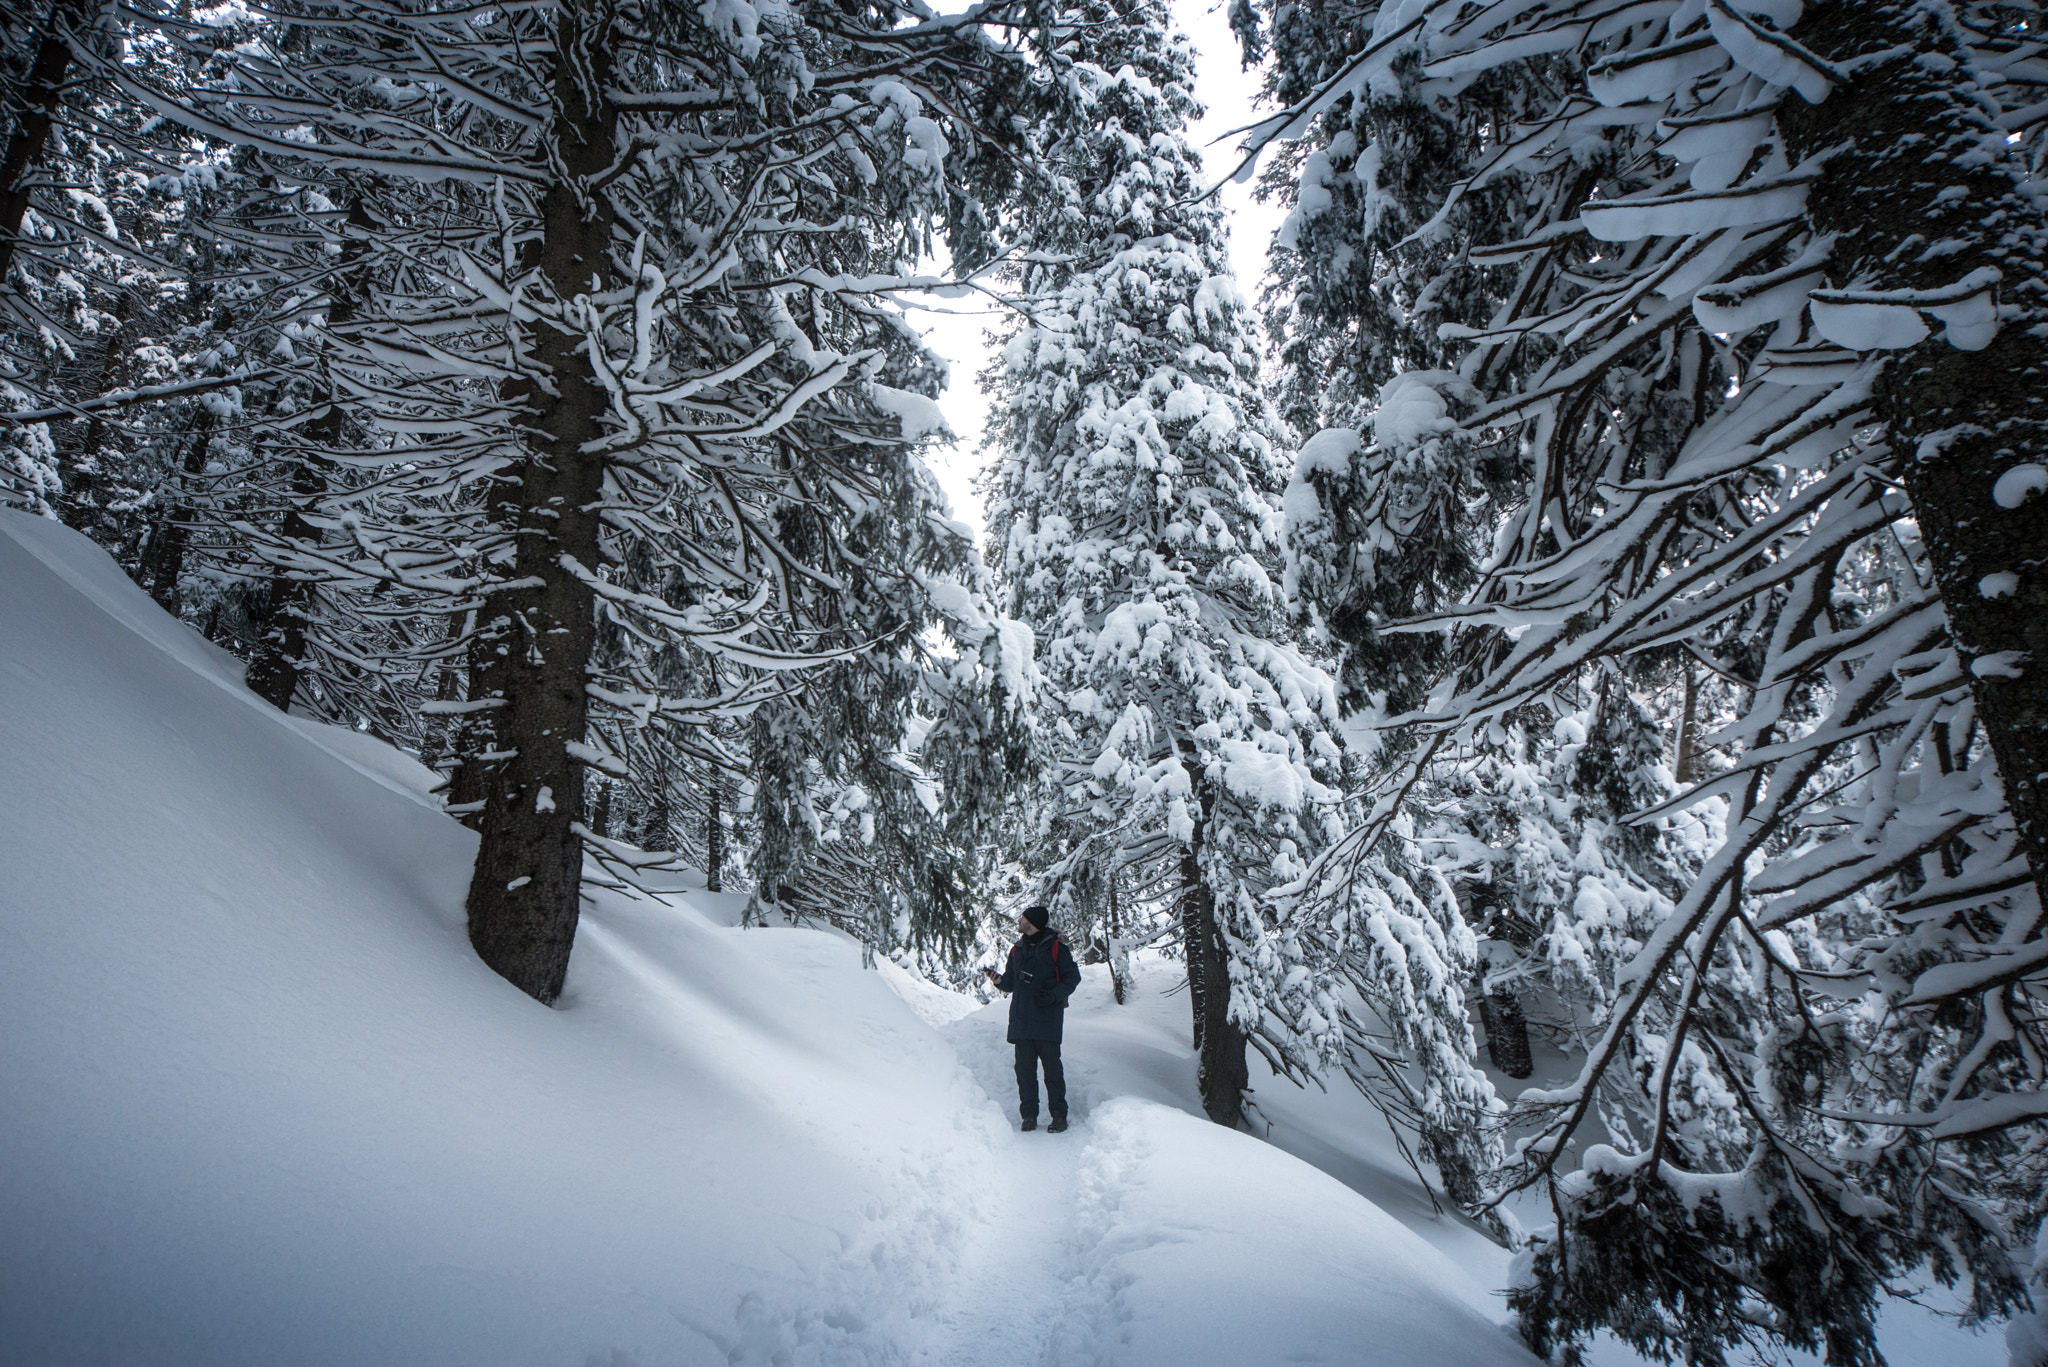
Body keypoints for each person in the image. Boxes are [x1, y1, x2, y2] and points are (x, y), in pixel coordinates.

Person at [984, 904, 1083, 1132]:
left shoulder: (1057, 947)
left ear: (1033, 921)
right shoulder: (1016, 949)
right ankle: (1029, 1116)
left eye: (1023, 917)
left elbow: (1073, 978)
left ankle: (1059, 1116)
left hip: (1048, 1020)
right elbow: (1011, 983)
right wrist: (999, 980)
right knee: (1024, 1072)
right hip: (1021, 1020)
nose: (1019, 920)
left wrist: (1053, 996)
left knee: (1052, 1072)